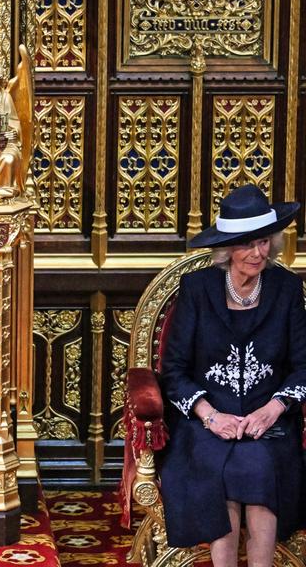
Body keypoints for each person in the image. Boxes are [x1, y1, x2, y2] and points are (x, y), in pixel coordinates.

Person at [160, 184, 306, 567]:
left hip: (268, 422)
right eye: (246, 244)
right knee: (215, 472)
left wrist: (274, 409)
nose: (257, 253)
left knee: (258, 468)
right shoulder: (197, 289)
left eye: (263, 243)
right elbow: (173, 371)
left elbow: (303, 364)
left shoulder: (287, 289)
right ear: (227, 249)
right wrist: (210, 415)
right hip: (207, 421)